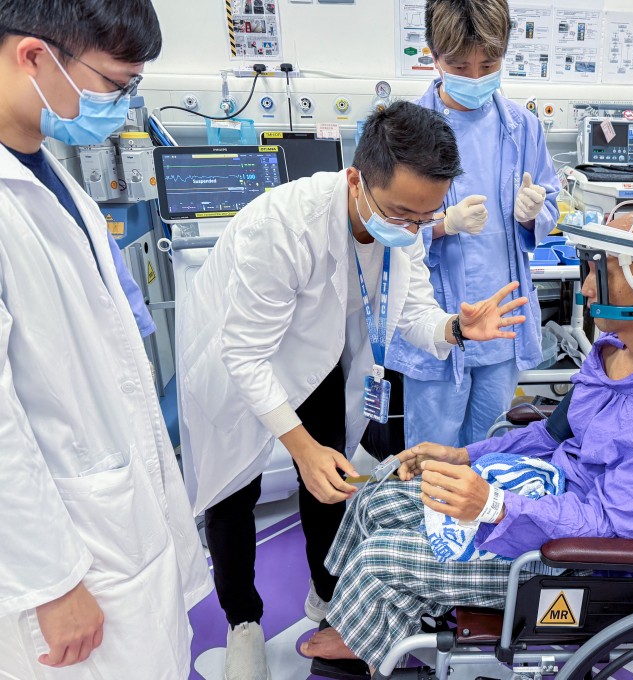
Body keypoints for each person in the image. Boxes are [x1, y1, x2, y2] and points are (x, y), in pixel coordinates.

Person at [177, 100, 531, 680]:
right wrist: (300, 446)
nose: (414, 229)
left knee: (329, 478)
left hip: (321, 356)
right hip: (237, 356)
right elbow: (243, 354)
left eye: (426, 217)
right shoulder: (282, 227)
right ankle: (242, 620)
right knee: (232, 488)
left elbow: (416, 310)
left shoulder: (406, 222)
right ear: (356, 179)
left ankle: (328, 597)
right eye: (403, 214)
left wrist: (455, 328)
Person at [299, 210, 633, 669]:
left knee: (379, 558)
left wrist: (495, 506)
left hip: (577, 562)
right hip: (545, 500)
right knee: (378, 497)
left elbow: (616, 526)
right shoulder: (611, 355)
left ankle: (373, 636)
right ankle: (372, 620)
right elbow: (548, 436)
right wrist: (461, 455)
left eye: (598, 270)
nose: (584, 287)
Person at [0, 2, 212, 678]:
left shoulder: (50, 176)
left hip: (117, 522)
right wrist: (52, 583)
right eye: (117, 85)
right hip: (61, 563)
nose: (124, 108)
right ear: (33, 56)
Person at [388, 0, 560, 449]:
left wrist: (533, 213)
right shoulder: (404, 133)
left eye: (490, 63)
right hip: (436, 320)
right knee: (434, 457)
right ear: (433, 55)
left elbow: (551, 199)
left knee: (490, 449)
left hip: (500, 324)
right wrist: (442, 224)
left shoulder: (522, 127)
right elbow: (379, 224)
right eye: (460, 65)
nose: (476, 76)